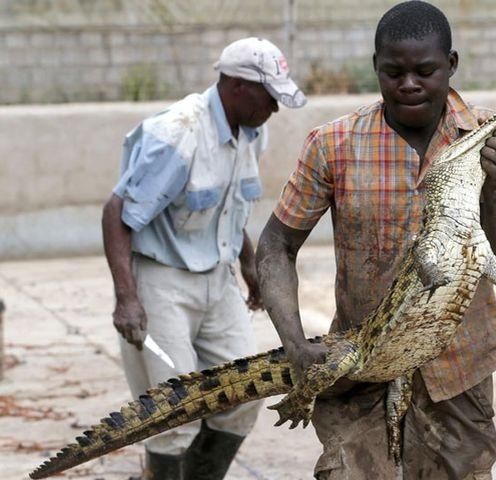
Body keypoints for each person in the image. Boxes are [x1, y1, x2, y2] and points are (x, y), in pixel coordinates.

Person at [256, 2, 496, 479]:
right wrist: (294, 343)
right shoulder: (333, 144)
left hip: (459, 367)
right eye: (393, 72)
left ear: (451, 65)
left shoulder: (483, 137)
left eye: (425, 70)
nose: (409, 84)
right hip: (364, 361)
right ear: (375, 68)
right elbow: (277, 246)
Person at [102, 37, 306, 480]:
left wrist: (249, 266)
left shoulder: (253, 130)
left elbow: (230, 206)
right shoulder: (177, 136)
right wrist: (126, 298)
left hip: (218, 279)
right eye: (269, 97)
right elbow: (117, 213)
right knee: (172, 414)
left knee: (243, 395)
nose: (274, 108)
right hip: (162, 283)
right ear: (236, 86)